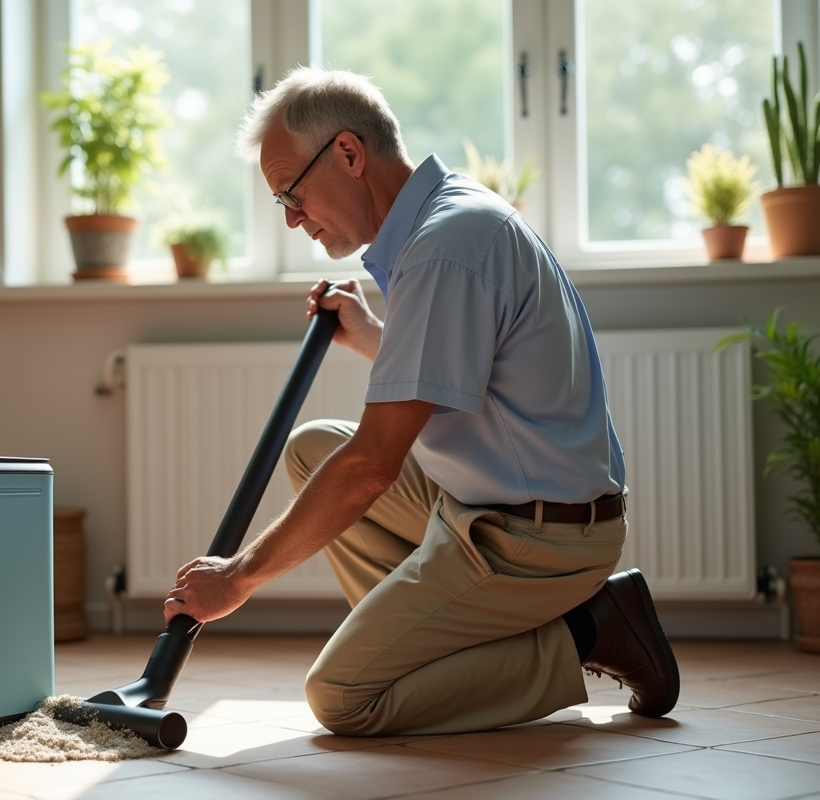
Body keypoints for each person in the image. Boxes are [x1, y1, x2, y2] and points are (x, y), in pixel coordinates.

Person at [164, 67, 679, 736]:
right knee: (312, 448)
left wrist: (238, 577)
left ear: (349, 153)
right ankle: (434, 639)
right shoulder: (447, 219)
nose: (292, 219)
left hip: (538, 537)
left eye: (291, 192)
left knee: (345, 697)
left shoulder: (444, 249)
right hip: (486, 501)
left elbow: (373, 466)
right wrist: (374, 336)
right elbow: (473, 379)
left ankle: (588, 631)